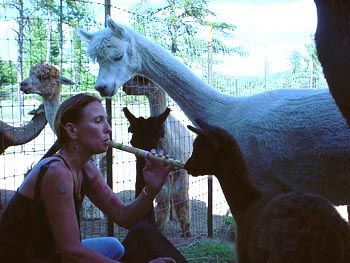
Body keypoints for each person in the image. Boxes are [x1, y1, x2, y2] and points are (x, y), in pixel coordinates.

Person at [0, 93, 177, 263]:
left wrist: (152, 188)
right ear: (71, 130)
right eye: (98, 121)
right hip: (24, 258)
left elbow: (124, 217)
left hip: (49, 251)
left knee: (114, 246)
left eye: (106, 120)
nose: (108, 128)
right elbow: (72, 253)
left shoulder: (85, 168)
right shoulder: (57, 173)